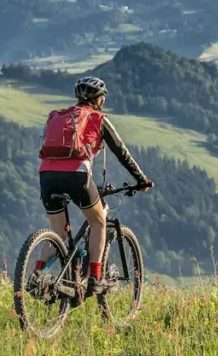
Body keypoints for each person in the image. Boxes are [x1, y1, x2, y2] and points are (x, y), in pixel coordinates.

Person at [36, 76, 151, 296]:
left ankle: (37, 275)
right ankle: (95, 278)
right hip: (77, 177)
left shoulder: (58, 117)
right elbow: (121, 152)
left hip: (47, 175)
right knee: (98, 222)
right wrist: (141, 179)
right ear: (98, 99)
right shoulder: (98, 118)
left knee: (58, 232)